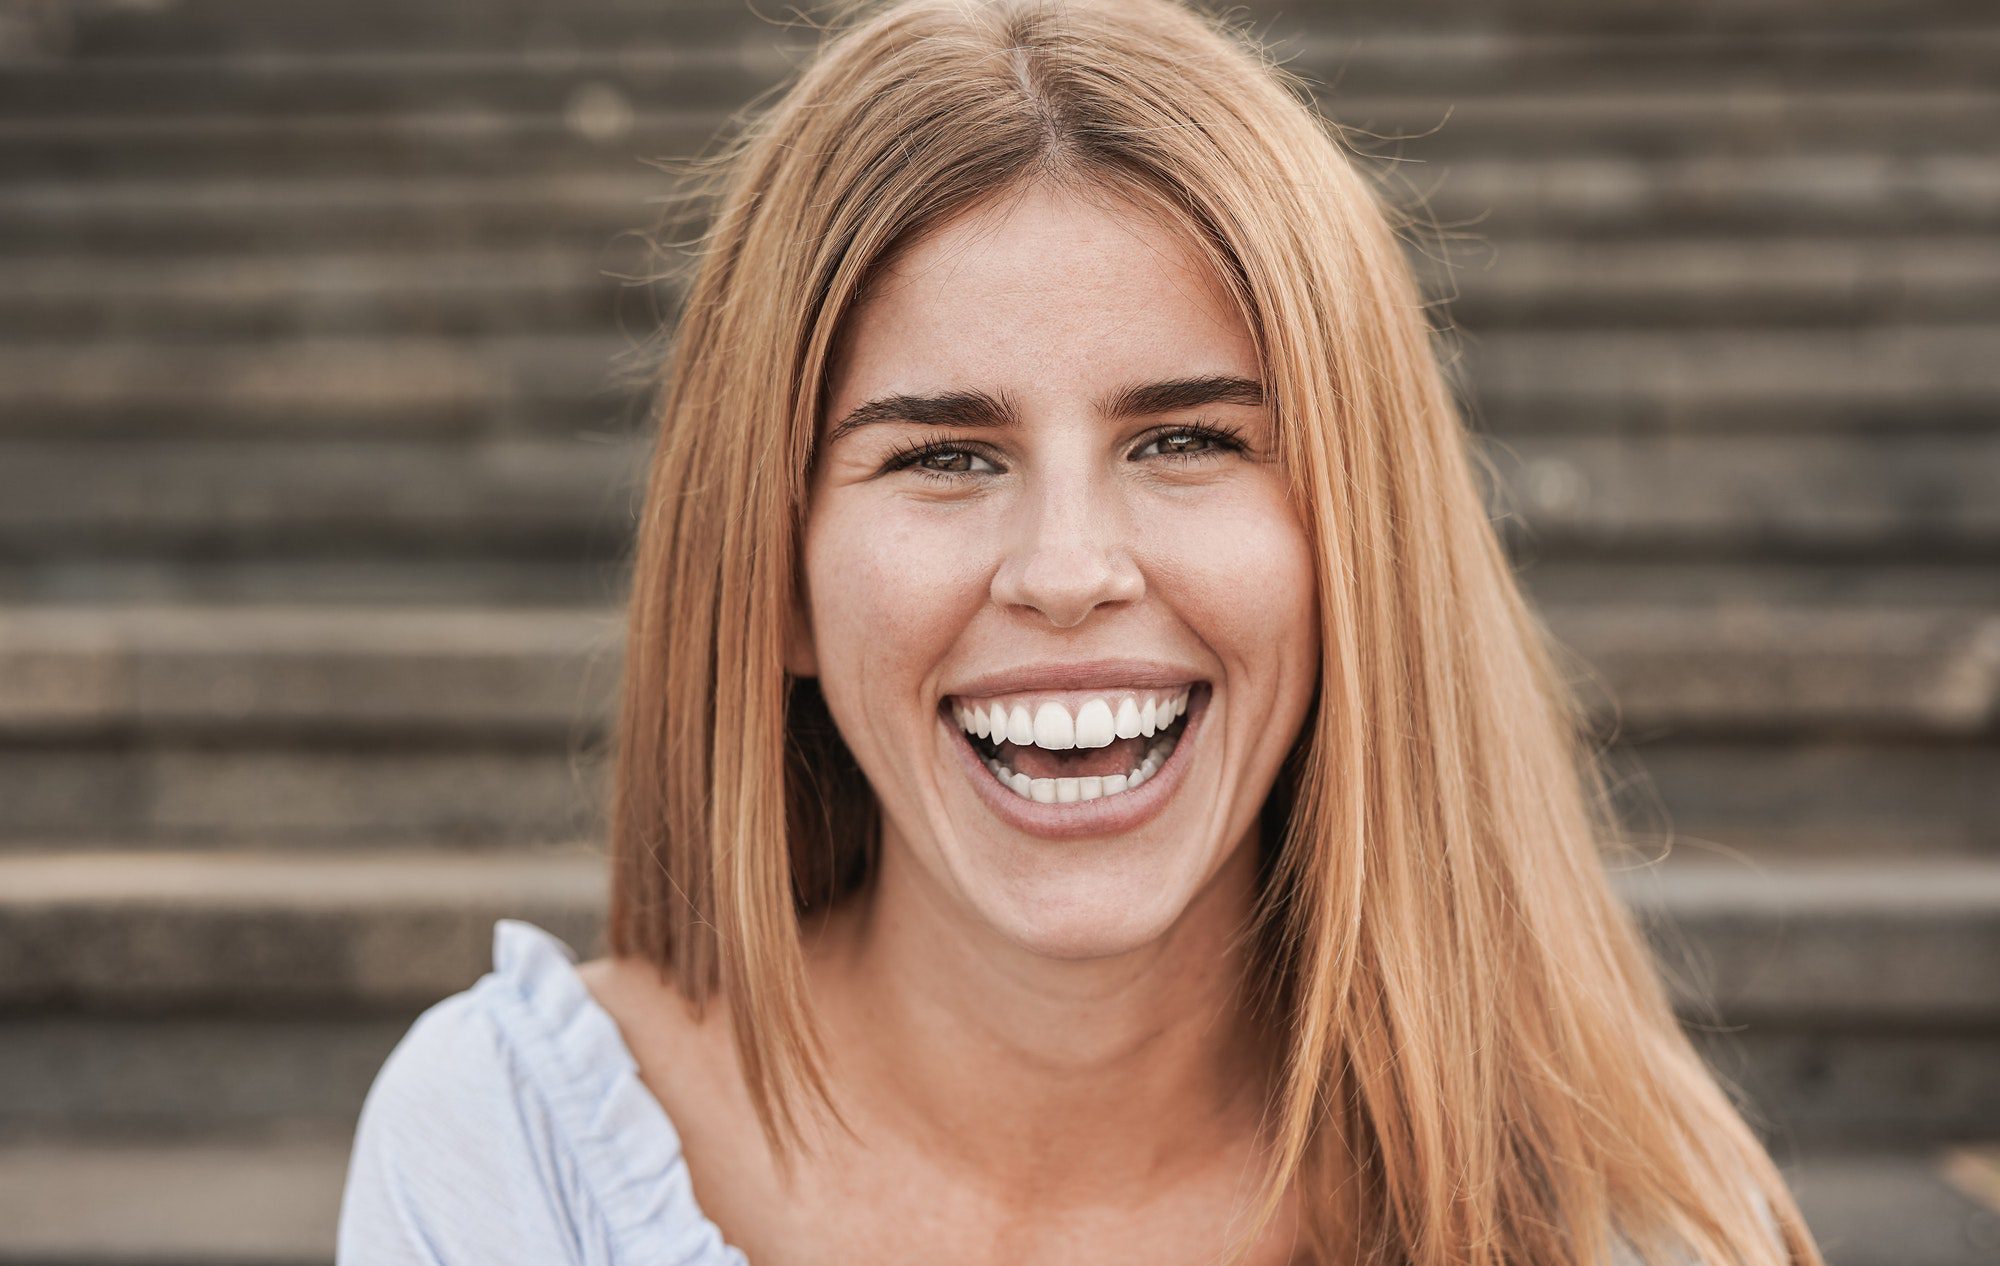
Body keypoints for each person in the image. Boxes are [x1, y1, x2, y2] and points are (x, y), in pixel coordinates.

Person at [336, 0, 1825, 1262]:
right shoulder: (512, 1149)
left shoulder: (1622, 1217)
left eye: (1186, 439)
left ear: (1353, 548)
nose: (1066, 570)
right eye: (942, 455)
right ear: (774, 579)